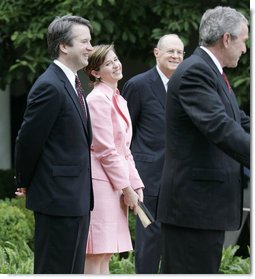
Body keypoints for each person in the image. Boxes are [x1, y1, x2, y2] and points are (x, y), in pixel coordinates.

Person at [157, 6, 250, 274]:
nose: (245, 49)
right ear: (226, 39)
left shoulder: (210, 71)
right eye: (243, 41)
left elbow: (238, 120)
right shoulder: (196, 72)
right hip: (193, 208)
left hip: (202, 208)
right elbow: (220, 128)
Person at [14, 15, 94, 274]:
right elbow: (28, 140)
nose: (90, 47)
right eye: (84, 41)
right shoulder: (49, 86)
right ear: (64, 46)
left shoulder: (72, 83)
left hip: (75, 199)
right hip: (57, 199)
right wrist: (24, 181)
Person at [121, 34, 185, 274]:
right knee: (149, 245)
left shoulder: (187, 84)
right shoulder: (138, 85)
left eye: (180, 52)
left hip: (181, 179)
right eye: (170, 51)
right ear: (156, 53)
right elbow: (124, 134)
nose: (175, 56)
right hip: (149, 178)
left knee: (177, 244)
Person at [83, 44, 144, 274]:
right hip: (100, 184)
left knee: (106, 253)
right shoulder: (97, 99)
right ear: (95, 72)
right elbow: (105, 150)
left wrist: (136, 185)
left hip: (115, 184)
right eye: (108, 63)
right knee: (96, 253)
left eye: (116, 59)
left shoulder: (118, 99)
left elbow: (125, 150)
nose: (116, 65)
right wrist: (126, 187)